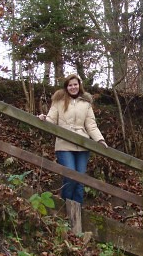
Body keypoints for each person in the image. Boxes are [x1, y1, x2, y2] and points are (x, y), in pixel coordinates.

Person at [38, 74, 107, 204]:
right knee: (70, 176)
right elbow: (51, 119)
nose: (73, 87)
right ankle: (64, 206)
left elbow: (91, 125)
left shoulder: (86, 103)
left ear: (79, 85)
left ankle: (77, 215)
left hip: (82, 145)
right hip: (64, 144)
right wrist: (44, 119)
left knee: (80, 180)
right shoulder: (59, 101)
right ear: (66, 87)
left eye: (75, 84)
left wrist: (100, 140)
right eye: (70, 85)